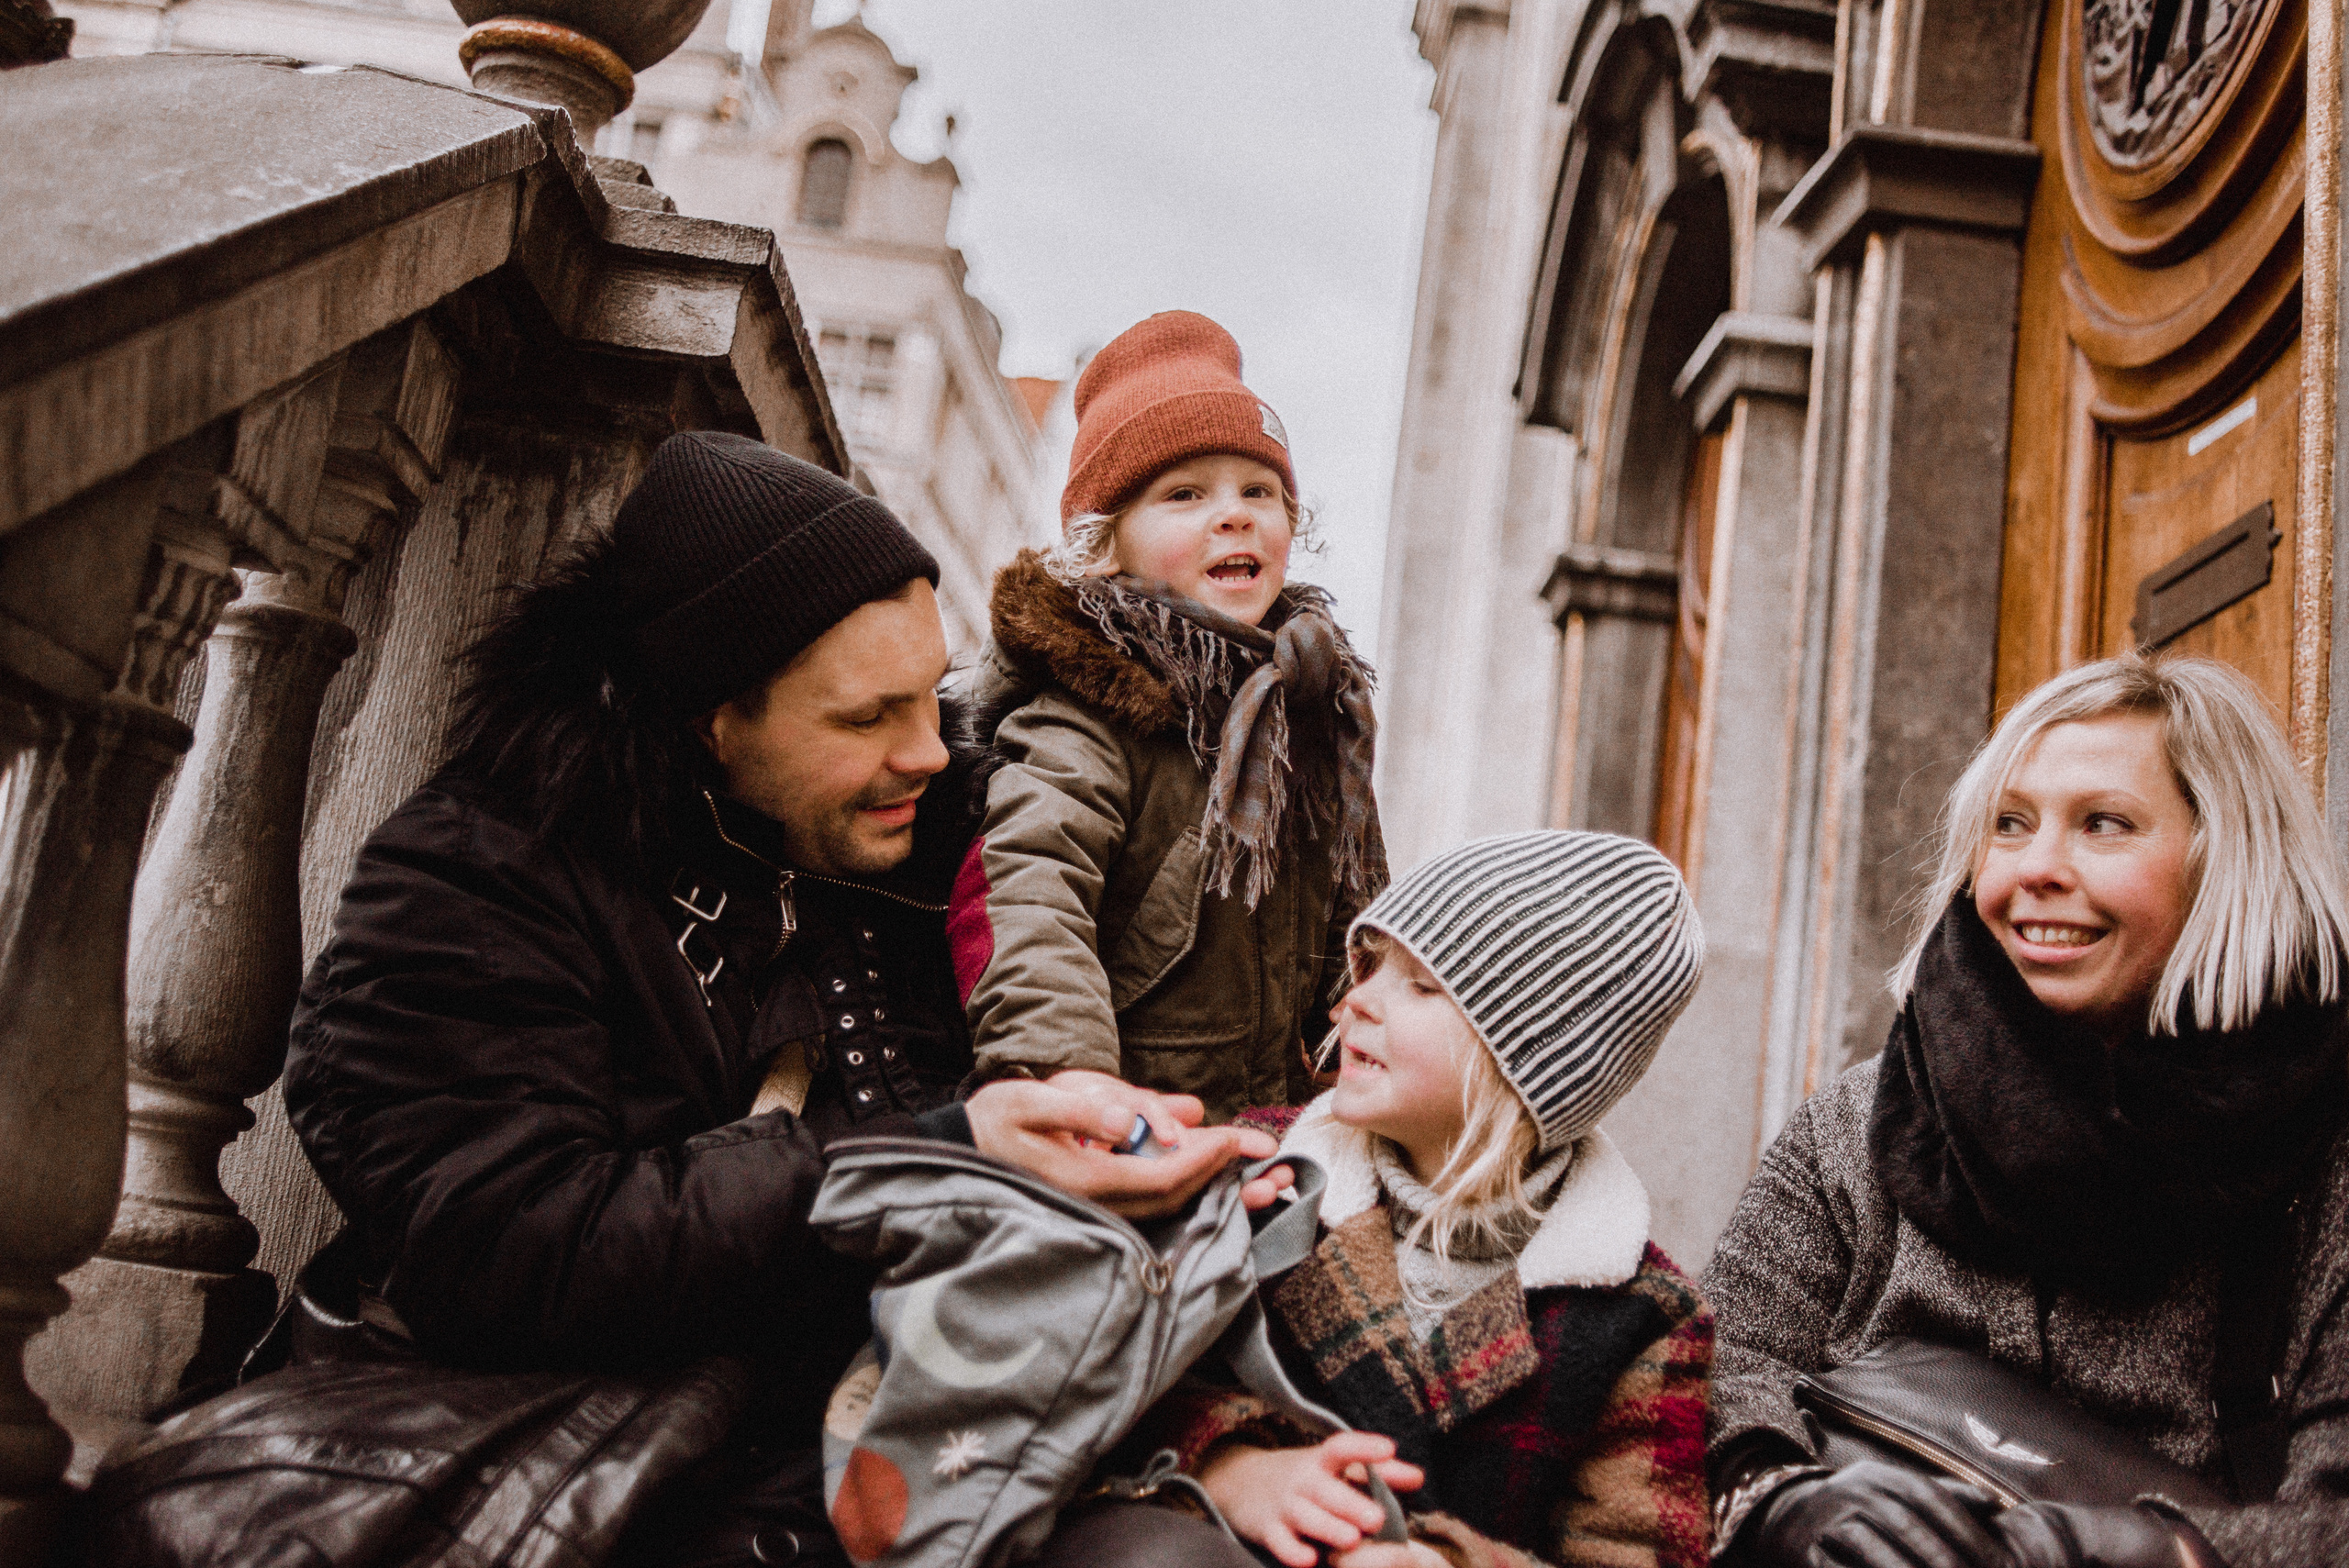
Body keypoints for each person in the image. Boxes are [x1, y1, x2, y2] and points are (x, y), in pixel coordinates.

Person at [280, 431, 1283, 1566]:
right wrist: (934, 1156)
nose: (932, 754)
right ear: (709, 718)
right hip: (604, 1470)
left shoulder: (933, 852)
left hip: (902, 1442)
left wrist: (1219, 1441)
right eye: (865, 718)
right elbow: (508, 1246)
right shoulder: (478, 876)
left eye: (930, 696)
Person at [1703, 652, 2349, 1568]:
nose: (2037, 866)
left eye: (2104, 824)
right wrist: (1781, 1502)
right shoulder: (1856, 1123)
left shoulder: (2326, 1158)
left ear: (2224, 858)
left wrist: (2126, 1551)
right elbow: (1709, 1373)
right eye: (2009, 824)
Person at [1130, 830, 1715, 1568]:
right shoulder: (1254, 1175)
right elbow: (1106, 1391)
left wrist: (1449, 1562)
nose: (1356, 1001)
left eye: (1423, 984)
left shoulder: (1640, 1317)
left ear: (1528, 1065)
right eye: (1371, 964)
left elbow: (1636, 1555)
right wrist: (1230, 1466)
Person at [948, 310, 1385, 1119]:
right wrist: (1070, 1081)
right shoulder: (1085, 712)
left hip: (1278, 1123)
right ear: (1106, 546)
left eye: (1260, 490)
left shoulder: (1310, 709)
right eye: (1185, 494)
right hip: (1130, 1118)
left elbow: (1353, 916)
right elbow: (1034, 896)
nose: (1236, 513)